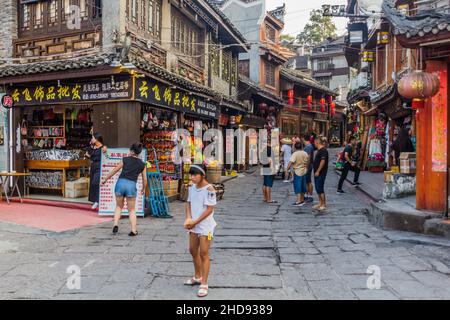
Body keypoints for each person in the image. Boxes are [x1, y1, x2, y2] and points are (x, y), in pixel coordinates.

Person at [184, 164, 217, 298]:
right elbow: (189, 203)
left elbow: (209, 210)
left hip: (205, 226)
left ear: (202, 175)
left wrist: (195, 222)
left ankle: (204, 282)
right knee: (192, 250)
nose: (192, 177)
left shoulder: (209, 189)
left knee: (204, 253)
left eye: (195, 175)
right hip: (193, 224)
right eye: (190, 175)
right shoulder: (192, 188)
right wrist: (188, 219)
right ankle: (197, 276)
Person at [101, 143, 147, 236]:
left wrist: (105, 179)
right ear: (139, 153)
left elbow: (115, 170)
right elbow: (145, 178)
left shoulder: (125, 159)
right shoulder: (142, 164)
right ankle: (134, 230)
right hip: (131, 185)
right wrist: (144, 188)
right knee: (132, 210)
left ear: (132, 151)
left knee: (118, 207)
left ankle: (115, 224)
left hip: (120, 184)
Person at [86, 133, 107, 210]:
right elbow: (91, 158)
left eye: (93, 138)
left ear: (97, 139)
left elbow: (107, 155)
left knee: (96, 182)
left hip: (99, 167)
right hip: (93, 166)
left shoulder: (103, 147)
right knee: (92, 183)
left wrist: (105, 149)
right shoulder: (93, 147)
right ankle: (95, 200)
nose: (92, 139)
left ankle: (97, 200)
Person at [287, 141, 309, 207]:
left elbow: (291, 162)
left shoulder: (295, 154)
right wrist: (306, 168)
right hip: (304, 170)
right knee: (303, 185)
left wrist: (286, 169)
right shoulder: (305, 153)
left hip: (297, 171)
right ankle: (302, 199)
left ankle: (298, 201)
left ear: (295, 147)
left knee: (297, 186)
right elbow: (308, 161)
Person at [313, 136, 329, 211]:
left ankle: (324, 204)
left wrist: (318, 171)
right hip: (317, 173)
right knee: (317, 187)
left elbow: (323, 161)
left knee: (320, 187)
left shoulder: (323, 150)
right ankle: (320, 203)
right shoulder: (319, 150)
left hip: (321, 173)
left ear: (317, 142)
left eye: (314, 143)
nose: (314, 144)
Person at [303, 134, 315, 203]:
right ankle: (307, 195)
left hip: (308, 166)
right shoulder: (309, 146)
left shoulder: (308, 146)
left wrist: (306, 167)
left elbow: (308, 158)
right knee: (307, 181)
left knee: (308, 181)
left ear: (304, 139)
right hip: (309, 165)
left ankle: (310, 196)